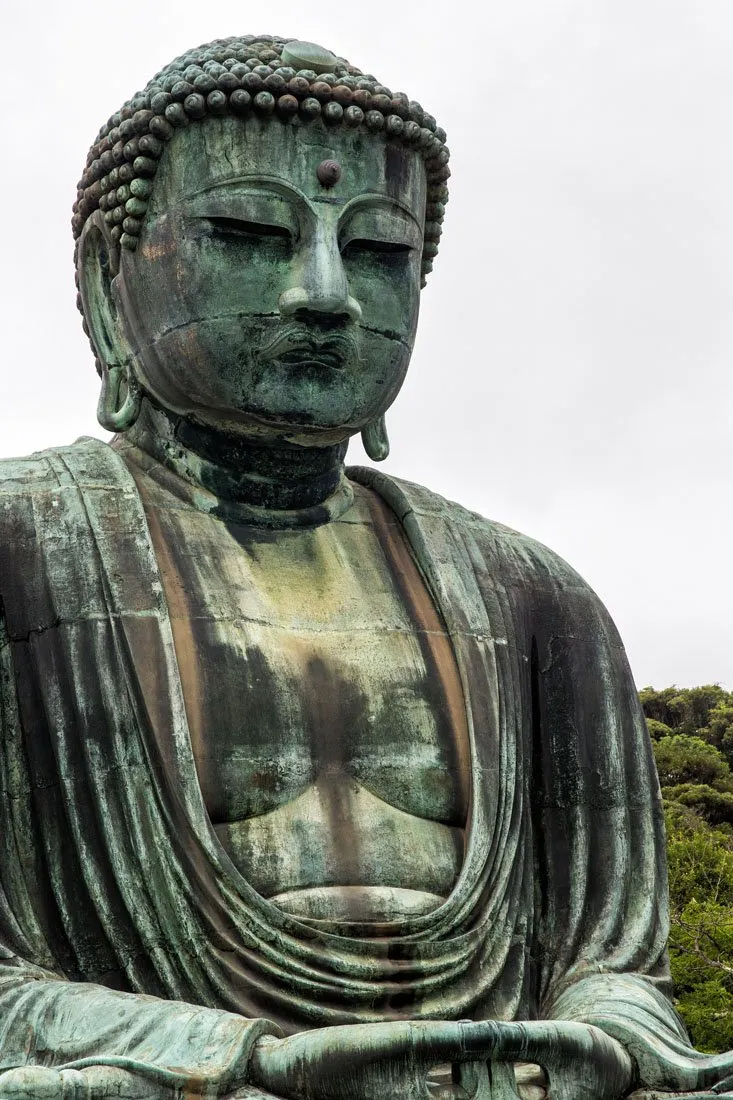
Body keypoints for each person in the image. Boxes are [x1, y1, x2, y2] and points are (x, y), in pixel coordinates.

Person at [0, 33, 731, 1100]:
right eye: (250, 231)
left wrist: (600, 1036)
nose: (325, 292)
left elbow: (612, 969)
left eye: (383, 250)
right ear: (109, 278)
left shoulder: (534, 599)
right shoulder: (23, 552)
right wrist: (243, 1057)